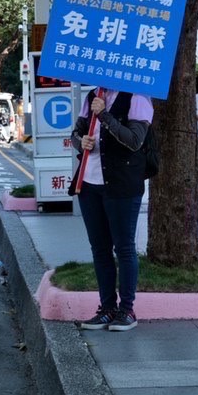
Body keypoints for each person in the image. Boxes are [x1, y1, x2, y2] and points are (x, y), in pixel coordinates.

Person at [69, 87, 154, 331]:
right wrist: (79, 141)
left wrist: (105, 115)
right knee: (100, 249)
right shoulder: (92, 95)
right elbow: (76, 131)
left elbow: (134, 140)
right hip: (89, 184)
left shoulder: (137, 96)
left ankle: (126, 310)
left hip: (122, 185)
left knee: (124, 247)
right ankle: (106, 308)